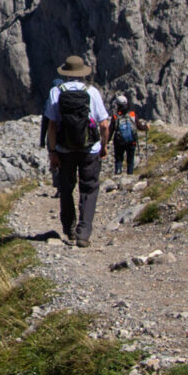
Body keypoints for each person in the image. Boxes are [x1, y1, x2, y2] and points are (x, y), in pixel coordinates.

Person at [43, 55, 110, 246]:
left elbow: (52, 126)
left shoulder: (57, 92)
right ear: (82, 73)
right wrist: (103, 146)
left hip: (64, 149)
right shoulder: (92, 92)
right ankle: (84, 233)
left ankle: (69, 229)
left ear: (65, 73)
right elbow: (104, 125)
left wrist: (53, 152)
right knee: (89, 188)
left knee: (66, 188)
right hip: (90, 149)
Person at [110, 94, 145, 175]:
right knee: (130, 159)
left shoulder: (115, 116)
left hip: (119, 142)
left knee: (118, 159)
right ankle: (130, 174)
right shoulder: (132, 114)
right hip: (131, 141)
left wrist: (106, 142)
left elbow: (111, 130)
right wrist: (146, 127)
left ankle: (118, 173)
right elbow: (139, 126)